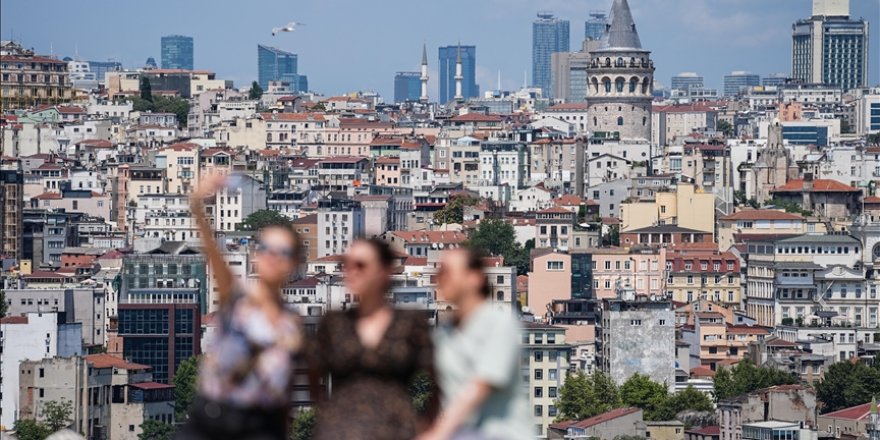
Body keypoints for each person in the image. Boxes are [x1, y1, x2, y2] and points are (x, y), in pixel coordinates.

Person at [176, 174, 302, 440]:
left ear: (294, 263)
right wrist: (198, 205)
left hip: (262, 425)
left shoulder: (292, 323)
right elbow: (213, 253)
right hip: (213, 419)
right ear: (254, 255)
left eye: (283, 252)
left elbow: (287, 390)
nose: (272, 257)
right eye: (265, 247)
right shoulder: (237, 296)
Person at [309, 238, 436, 440]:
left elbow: (436, 378)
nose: (351, 271)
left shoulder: (410, 323)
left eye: (360, 265)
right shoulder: (334, 323)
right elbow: (313, 375)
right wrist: (326, 417)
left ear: (383, 270)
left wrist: (427, 425)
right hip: (340, 430)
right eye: (346, 265)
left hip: (396, 429)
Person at [419, 248, 531, 440]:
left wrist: (439, 433)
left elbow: (480, 386)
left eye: (447, 272)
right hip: (458, 432)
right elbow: (439, 392)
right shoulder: (444, 332)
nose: (440, 279)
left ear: (474, 278)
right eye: (438, 273)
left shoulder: (499, 321)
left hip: (499, 433)